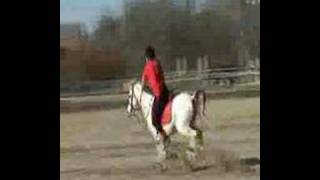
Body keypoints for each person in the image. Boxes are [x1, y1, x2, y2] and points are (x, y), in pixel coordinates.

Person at [140, 46, 169, 141]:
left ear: (146, 58)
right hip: (166, 91)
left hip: (159, 94)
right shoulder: (158, 63)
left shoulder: (147, 67)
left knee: (154, 120)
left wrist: (146, 86)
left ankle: (164, 136)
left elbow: (143, 84)